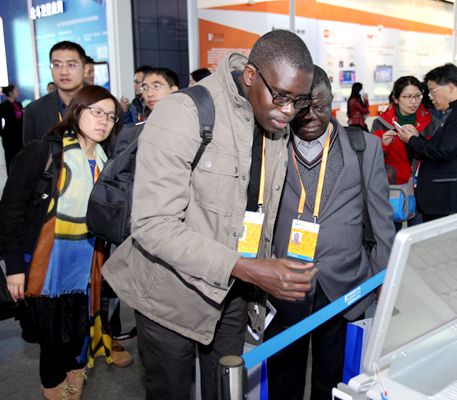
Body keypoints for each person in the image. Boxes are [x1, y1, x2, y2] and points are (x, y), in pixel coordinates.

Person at [102, 30, 316, 400]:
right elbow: (153, 225)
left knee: (226, 391)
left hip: (234, 294)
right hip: (171, 295)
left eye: (299, 101)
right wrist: (247, 268)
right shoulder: (184, 111)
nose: (288, 111)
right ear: (251, 75)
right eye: (280, 97)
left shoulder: (276, 127)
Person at [265, 65, 395, 400]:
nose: (310, 116)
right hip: (285, 281)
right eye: (303, 107)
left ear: (332, 104)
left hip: (344, 281)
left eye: (319, 107)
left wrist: (383, 277)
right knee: (283, 376)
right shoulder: (270, 146)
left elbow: (381, 219)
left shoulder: (364, 147)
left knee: (333, 378)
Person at [1, 85, 123, 400]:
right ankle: (54, 390)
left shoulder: (105, 158)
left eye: (110, 116)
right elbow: (10, 212)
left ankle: (75, 382)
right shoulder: (43, 152)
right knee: (52, 335)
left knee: (81, 328)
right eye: (96, 111)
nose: (104, 121)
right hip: (48, 260)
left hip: (89, 261)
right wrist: (14, 267)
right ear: (77, 110)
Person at [394, 63, 457, 222]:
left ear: (450, 88)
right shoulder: (453, 112)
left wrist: (412, 140)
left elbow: (444, 151)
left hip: (450, 201)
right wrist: (416, 138)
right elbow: (440, 147)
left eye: (433, 91)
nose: (430, 96)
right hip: (441, 199)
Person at [371, 76, 437, 185]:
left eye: (417, 96)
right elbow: (371, 160)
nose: (414, 102)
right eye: (407, 97)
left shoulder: (431, 122)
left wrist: (418, 140)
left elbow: (437, 153)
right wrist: (384, 146)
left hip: (424, 184)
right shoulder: (381, 124)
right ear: (396, 98)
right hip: (393, 185)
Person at [23, 41, 86, 145]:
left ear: (84, 68)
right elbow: (30, 156)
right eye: (57, 65)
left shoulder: (102, 105)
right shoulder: (34, 111)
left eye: (71, 65)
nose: (64, 72)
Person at [0, 85, 24, 174]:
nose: (18, 92)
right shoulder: (3, 106)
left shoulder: (19, 104)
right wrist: (3, 133)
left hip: (19, 136)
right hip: (9, 137)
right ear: (10, 93)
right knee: (10, 160)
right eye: (16, 90)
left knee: (21, 159)